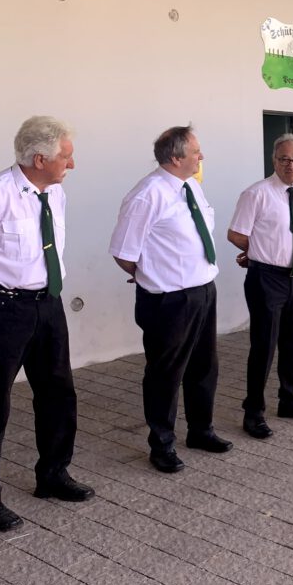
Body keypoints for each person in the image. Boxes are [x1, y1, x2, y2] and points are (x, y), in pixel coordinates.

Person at [0, 116, 94, 531]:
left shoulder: (55, 193)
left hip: (48, 304)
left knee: (58, 393)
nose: (72, 164)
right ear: (39, 158)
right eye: (66, 157)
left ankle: (53, 474)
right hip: (2, 309)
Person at [110, 125, 232, 473]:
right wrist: (153, 274)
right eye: (195, 151)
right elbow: (123, 252)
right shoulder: (147, 195)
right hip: (169, 299)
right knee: (165, 374)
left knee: (204, 366)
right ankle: (162, 444)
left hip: (203, 289)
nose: (201, 156)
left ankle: (201, 430)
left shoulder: (190, 186)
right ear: (176, 158)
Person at [227, 134, 293, 440]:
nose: (291, 165)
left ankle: (289, 400)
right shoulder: (257, 194)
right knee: (264, 346)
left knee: (292, 342)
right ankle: (253, 412)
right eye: (285, 159)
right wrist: (256, 250)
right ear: (274, 161)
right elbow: (236, 234)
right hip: (266, 279)